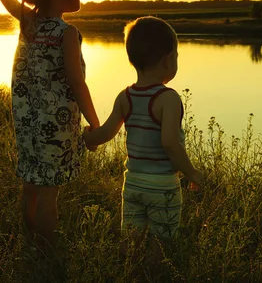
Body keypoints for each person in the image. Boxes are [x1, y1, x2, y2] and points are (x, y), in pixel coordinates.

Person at [0, 0, 99, 249]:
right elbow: (77, 82)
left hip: (26, 124)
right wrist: (95, 122)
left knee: (31, 186)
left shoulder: (28, 23)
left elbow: (8, 0)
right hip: (56, 127)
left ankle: (30, 241)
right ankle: (48, 250)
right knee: (49, 191)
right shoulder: (67, 33)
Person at [83, 16, 204, 270]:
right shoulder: (168, 98)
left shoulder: (125, 96)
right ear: (168, 58)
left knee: (131, 240)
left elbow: (105, 132)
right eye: (178, 56)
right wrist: (192, 172)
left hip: (133, 184)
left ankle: (127, 272)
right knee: (161, 245)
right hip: (163, 188)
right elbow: (170, 143)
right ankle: (151, 276)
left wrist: (87, 138)